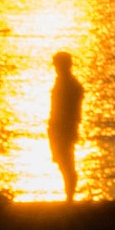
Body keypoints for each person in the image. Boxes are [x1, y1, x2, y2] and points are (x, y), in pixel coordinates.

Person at [48, 51, 83, 202]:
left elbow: (72, 110)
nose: (56, 68)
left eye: (57, 65)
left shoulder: (70, 84)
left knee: (66, 162)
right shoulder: (65, 83)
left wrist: (64, 126)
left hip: (64, 128)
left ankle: (70, 197)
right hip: (59, 127)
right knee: (63, 161)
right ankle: (69, 196)